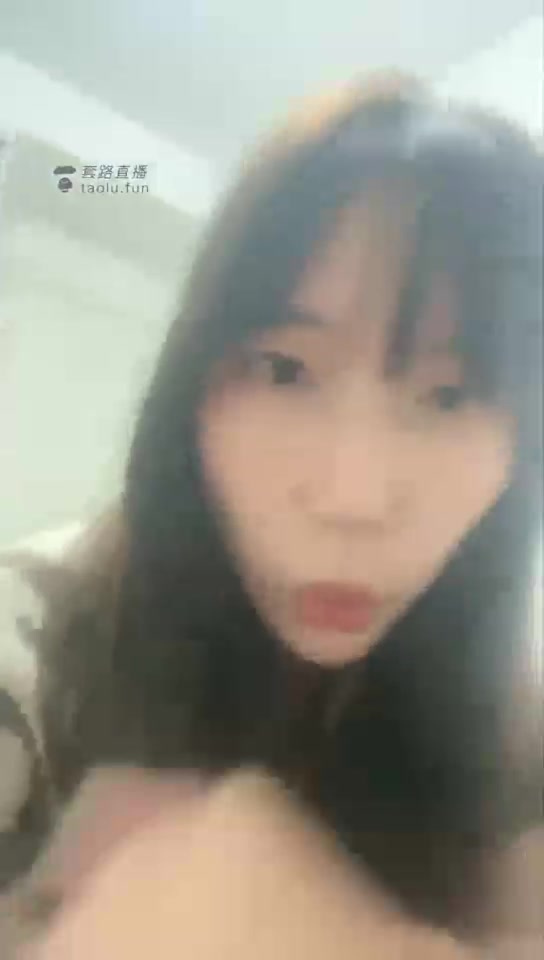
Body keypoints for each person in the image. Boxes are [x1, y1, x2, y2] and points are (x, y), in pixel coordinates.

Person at [3, 75, 542, 955]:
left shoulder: (517, 737)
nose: (354, 498)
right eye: (285, 370)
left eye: (450, 396)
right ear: (190, 391)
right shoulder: (32, 649)